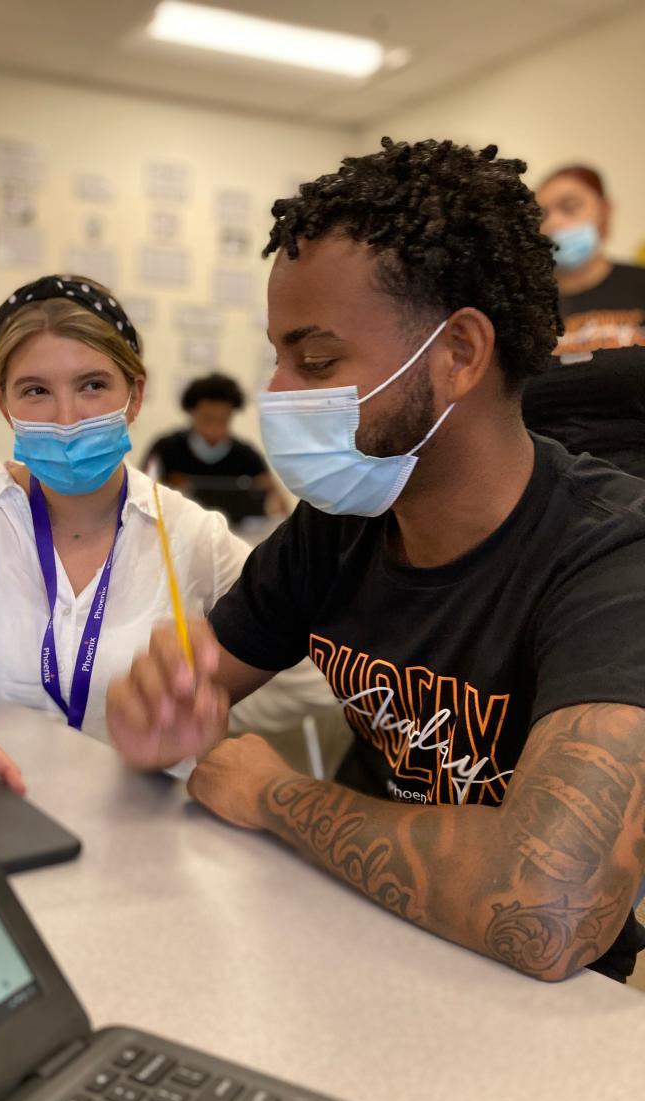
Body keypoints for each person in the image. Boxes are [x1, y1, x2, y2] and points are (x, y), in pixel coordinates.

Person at [107, 139, 645, 984]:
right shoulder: (341, 524)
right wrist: (160, 708)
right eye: (279, 356)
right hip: (341, 932)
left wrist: (276, 795)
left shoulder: (614, 559)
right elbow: (195, 686)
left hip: (527, 1006)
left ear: (460, 353)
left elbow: (548, 907)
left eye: (316, 360)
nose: (278, 394)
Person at [0, 274, 332, 797]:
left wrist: (209, 698)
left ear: (134, 395)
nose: (67, 419)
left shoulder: (190, 534)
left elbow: (313, 674)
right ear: (4, 404)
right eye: (37, 391)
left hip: (142, 834)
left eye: (92, 385)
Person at [523, 165, 645, 479]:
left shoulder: (639, 286)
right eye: (543, 215)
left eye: (570, 207)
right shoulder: (521, 310)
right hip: (551, 486)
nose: (555, 223)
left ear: (604, 211)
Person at [142, 372, 287, 521]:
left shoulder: (246, 455)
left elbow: (278, 503)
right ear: (192, 412)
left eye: (223, 420)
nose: (215, 429)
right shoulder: (166, 449)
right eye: (208, 419)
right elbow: (141, 492)